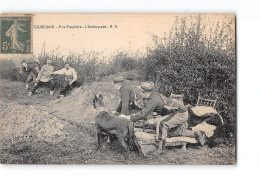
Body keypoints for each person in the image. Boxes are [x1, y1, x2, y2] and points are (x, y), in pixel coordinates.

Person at [120, 82, 206, 150]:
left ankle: (160, 149)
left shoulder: (153, 100)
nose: (139, 94)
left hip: (179, 113)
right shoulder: (153, 95)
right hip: (178, 112)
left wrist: (128, 117)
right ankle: (196, 133)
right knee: (174, 132)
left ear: (143, 92)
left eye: (140, 92)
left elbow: (143, 114)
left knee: (161, 123)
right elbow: (149, 109)